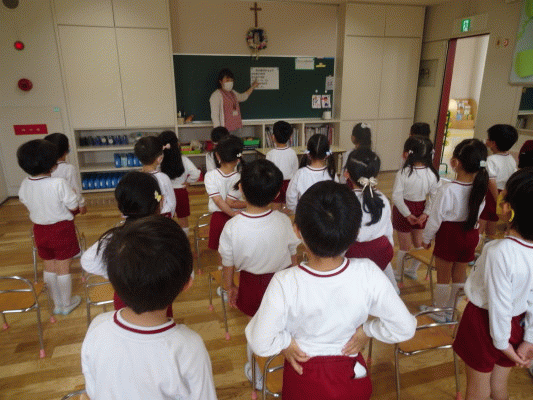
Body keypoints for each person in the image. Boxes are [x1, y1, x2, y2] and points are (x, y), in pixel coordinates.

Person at [246, 181, 416, 400]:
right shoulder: (368, 273)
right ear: (356, 232)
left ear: (297, 231)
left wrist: (285, 342)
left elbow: (260, 341)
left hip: (304, 378)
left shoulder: (285, 282)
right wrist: (368, 330)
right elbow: (405, 327)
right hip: (350, 377)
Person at [81, 216, 217, 400]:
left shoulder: (97, 326)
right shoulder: (190, 347)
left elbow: (93, 390)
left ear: (113, 282)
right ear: (187, 284)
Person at [452, 168, 533, 400]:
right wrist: (529, 338)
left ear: (507, 208)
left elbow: (499, 305)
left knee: (477, 390)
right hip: (516, 325)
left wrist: (502, 344)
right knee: (498, 386)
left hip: (484, 325)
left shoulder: (498, 252)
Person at [219, 159, 300, 387]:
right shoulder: (283, 221)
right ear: (276, 193)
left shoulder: (232, 227)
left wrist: (229, 287)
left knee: (255, 331)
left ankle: (257, 375)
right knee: (282, 326)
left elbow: (228, 264)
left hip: (251, 285)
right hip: (282, 283)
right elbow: (293, 255)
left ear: (241, 188)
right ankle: (283, 365)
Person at [80, 171, 174, 318]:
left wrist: (117, 272)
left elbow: (87, 261)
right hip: (160, 302)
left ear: (121, 207)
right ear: (159, 203)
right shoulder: (169, 234)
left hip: (126, 301)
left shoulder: (114, 238)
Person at [421, 139, 489, 322]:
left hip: (450, 235)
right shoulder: (480, 188)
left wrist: (426, 238)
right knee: (459, 274)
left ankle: (439, 311)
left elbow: (435, 218)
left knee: (443, 276)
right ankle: (451, 311)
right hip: (470, 234)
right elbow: (478, 215)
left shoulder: (447, 189)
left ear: (455, 163)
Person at [17, 139, 81, 315]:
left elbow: (24, 200)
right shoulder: (58, 183)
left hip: (39, 230)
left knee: (48, 265)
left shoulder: (25, 183)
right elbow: (74, 206)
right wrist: (73, 198)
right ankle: (66, 304)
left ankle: (57, 303)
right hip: (61, 229)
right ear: (53, 164)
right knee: (63, 266)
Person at [344, 148, 399, 293]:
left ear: (346, 174)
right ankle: (392, 288)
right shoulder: (383, 199)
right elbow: (388, 231)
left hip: (355, 256)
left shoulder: (346, 201)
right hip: (383, 251)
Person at [392, 136, 440, 280]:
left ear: (408, 153)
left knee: (404, 247)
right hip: (421, 209)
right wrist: (426, 213)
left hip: (403, 210)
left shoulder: (402, 173)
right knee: (418, 243)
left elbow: (396, 196)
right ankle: (412, 270)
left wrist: (407, 214)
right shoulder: (432, 174)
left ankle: (398, 274)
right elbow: (435, 197)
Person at [204, 134, 246, 251]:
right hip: (238, 217)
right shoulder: (240, 177)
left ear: (217, 155)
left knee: (221, 251)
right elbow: (230, 203)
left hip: (218, 218)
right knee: (238, 250)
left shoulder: (210, 176)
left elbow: (218, 201)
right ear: (238, 158)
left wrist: (232, 214)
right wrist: (234, 213)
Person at [478, 124, 518, 240]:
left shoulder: (491, 160)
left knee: (482, 218)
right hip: (504, 192)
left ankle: (477, 241)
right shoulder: (511, 159)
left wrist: (497, 199)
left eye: (488, 139)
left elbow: (491, 182)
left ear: (493, 143)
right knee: (493, 218)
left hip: (491, 193)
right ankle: (489, 241)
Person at [159, 130, 201, 235]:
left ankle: (168, 238)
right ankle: (184, 239)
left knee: (166, 218)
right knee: (183, 218)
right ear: (177, 144)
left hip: (165, 193)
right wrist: (188, 182)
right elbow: (196, 173)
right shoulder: (184, 159)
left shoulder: (159, 160)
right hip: (180, 191)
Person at [285, 133, 338, 213]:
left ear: (308, 154)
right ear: (326, 155)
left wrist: (297, 213)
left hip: (304, 217)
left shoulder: (300, 174)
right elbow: (337, 199)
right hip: (327, 218)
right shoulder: (332, 175)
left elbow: (290, 198)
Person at [44, 132, 87, 215]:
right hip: (67, 206)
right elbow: (75, 189)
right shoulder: (69, 168)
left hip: (48, 207)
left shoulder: (44, 168)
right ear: (66, 150)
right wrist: (81, 204)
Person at [134, 136, 176, 218]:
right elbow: (172, 203)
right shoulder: (164, 178)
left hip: (141, 218)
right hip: (161, 218)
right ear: (160, 158)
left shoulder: (134, 178)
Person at [265, 121, 298, 211]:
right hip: (289, 184)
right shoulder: (292, 153)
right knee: (288, 208)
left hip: (275, 184)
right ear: (290, 137)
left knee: (275, 208)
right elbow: (295, 171)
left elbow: (268, 172)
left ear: (273, 137)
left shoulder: (270, 154)